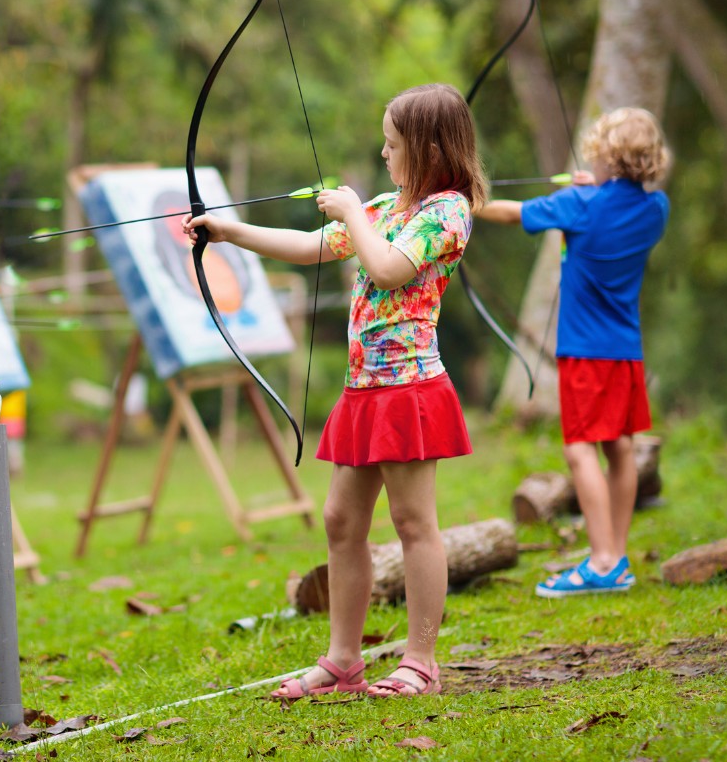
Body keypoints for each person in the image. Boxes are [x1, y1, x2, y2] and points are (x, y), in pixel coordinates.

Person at [184, 83, 484, 698]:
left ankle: (420, 661)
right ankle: (344, 659)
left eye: (392, 143)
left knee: (412, 521)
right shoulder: (386, 206)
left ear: (428, 149)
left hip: (408, 389)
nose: (382, 152)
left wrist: (351, 213)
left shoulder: (446, 212)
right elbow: (313, 248)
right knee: (342, 519)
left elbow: (389, 267)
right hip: (363, 390)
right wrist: (229, 231)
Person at [477, 107, 671, 597]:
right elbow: (616, 210)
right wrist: (597, 188)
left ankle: (603, 561)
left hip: (586, 351)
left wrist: (462, 201)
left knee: (579, 447)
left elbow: (510, 213)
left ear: (606, 156)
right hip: (625, 351)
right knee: (620, 445)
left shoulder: (580, 203)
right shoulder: (657, 209)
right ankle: (616, 556)